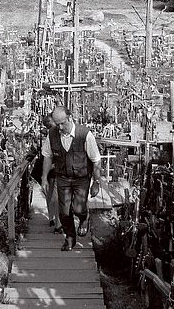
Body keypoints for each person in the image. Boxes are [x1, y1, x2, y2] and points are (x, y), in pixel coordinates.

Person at [41, 106, 102, 251]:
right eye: (57, 124)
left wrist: (97, 182)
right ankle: (70, 238)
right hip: (62, 177)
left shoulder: (85, 134)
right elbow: (47, 157)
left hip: (81, 178)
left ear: (70, 118)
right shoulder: (52, 135)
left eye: (63, 123)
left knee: (78, 208)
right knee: (64, 211)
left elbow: (96, 160)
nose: (60, 127)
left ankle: (84, 218)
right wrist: (44, 178)